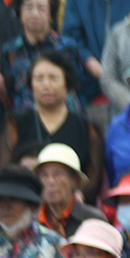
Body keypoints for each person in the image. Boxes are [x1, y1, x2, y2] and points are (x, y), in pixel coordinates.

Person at [12, 54, 99, 191]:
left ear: (67, 84)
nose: (46, 85)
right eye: (39, 79)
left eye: (53, 78)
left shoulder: (85, 127)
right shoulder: (15, 123)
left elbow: (94, 177)